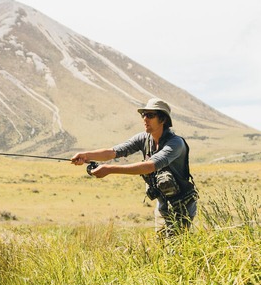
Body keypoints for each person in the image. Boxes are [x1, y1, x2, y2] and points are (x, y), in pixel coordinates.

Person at [70, 97, 198, 234]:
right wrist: (86, 155)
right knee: (162, 247)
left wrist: (109, 169)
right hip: (162, 204)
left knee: (174, 249)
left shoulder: (176, 143)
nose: (145, 119)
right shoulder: (143, 138)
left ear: (163, 119)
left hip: (182, 205)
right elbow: (113, 152)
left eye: (150, 115)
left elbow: (150, 166)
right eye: (144, 115)